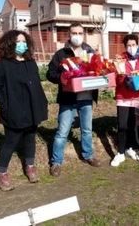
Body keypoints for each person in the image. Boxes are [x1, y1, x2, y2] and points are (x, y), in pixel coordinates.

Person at [0, 30, 48, 191]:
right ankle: (1, 173)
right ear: (10, 44)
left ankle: (30, 166)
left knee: (30, 138)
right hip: (13, 110)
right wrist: (5, 107)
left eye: (24, 41)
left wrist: (41, 103)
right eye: (18, 42)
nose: (22, 44)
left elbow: (37, 85)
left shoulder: (30, 62)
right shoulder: (3, 64)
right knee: (11, 141)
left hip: (32, 108)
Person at [47, 22, 101, 177]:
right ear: (69, 35)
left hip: (87, 98)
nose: (77, 36)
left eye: (80, 33)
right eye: (74, 33)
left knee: (87, 130)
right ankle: (56, 162)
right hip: (67, 99)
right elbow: (50, 74)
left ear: (83, 34)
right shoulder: (61, 54)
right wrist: (62, 77)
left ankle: (88, 155)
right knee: (63, 131)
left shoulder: (89, 51)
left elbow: (97, 71)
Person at [111, 34, 139, 167]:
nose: (131, 47)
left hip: (137, 97)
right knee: (122, 125)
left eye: (133, 45)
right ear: (125, 46)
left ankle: (130, 148)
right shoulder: (119, 60)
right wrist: (123, 79)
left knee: (133, 124)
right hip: (123, 97)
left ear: (137, 45)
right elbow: (116, 79)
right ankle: (120, 153)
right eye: (128, 45)